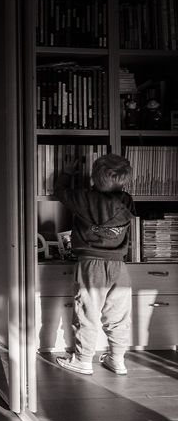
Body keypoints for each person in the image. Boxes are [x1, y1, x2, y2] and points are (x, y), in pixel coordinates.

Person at [54, 154, 135, 376]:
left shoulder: (84, 199)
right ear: (124, 180)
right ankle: (117, 359)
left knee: (87, 313)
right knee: (118, 315)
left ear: (94, 177)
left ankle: (82, 360)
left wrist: (68, 173)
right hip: (119, 265)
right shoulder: (126, 200)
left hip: (91, 264)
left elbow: (60, 192)